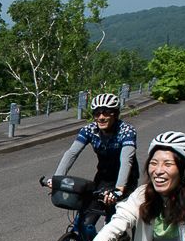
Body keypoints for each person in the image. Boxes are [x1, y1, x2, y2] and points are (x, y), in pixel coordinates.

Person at [52, 93, 138, 222]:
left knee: (110, 217)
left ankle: (118, 237)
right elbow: (72, 153)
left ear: (115, 114)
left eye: (106, 113)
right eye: (97, 113)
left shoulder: (126, 131)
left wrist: (119, 189)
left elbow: (126, 160)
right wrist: (57, 178)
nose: (101, 117)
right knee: (86, 217)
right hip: (103, 178)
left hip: (125, 179)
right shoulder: (89, 130)